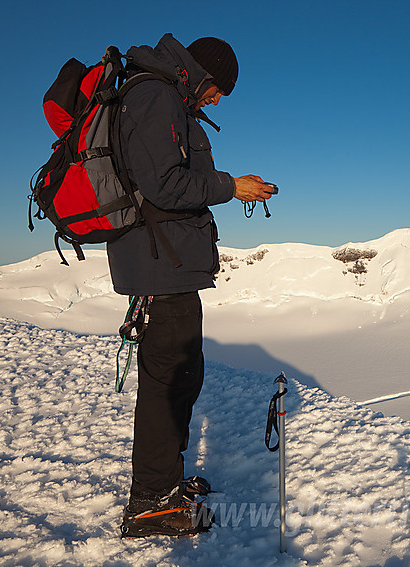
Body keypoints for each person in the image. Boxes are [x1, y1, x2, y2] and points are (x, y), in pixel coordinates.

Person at [106, 33, 275, 538]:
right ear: (202, 74)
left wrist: (226, 181)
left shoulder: (165, 96)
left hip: (168, 263)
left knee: (181, 377)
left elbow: (168, 176)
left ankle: (166, 483)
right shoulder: (155, 95)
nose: (220, 99)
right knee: (165, 383)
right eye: (219, 88)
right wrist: (230, 187)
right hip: (160, 264)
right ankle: (151, 503)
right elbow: (164, 184)